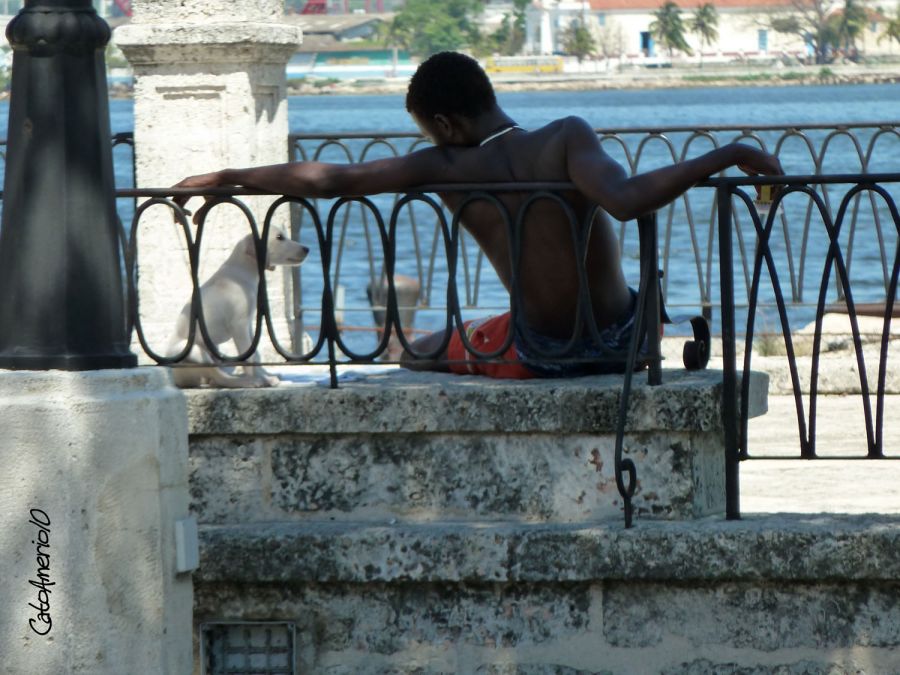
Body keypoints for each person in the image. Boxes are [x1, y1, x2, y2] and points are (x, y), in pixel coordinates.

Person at [173, 51, 783, 379]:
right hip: (621, 337)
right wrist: (725, 154)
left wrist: (230, 177)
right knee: (500, 325)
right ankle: (645, 320)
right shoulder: (566, 137)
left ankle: (491, 339)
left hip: (545, 351)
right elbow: (625, 200)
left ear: (444, 124)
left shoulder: (445, 166)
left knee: (419, 352)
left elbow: (333, 179)